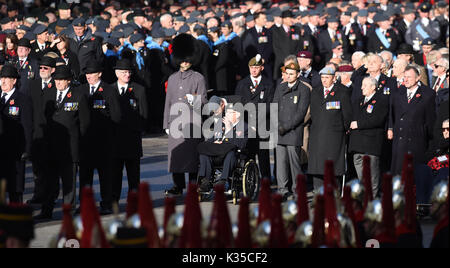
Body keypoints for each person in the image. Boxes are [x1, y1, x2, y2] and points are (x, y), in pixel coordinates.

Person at [34, 65, 89, 220]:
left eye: (62, 80)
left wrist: (80, 145)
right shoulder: (49, 94)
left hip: (69, 148)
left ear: (69, 81)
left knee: (68, 184)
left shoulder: (78, 96)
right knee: (49, 183)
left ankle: (68, 211)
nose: (58, 83)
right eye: (56, 79)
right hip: (50, 147)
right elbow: (43, 118)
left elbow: (84, 124)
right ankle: (47, 210)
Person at [163, 34, 207, 196]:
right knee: (176, 156)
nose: (185, 62)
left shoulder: (198, 78)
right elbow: (168, 101)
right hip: (175, 122)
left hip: (192, 122)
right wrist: (166, 123)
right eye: (182, 59)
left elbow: (203, 100)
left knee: (192, 158)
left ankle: (193, 186)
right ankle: (178, 185)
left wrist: (192, 100)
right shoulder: (173, 78)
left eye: (187, 59)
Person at [77, 60, 121, 215]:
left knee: (105, 176)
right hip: (86, 141)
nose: (88, 76)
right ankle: (84, 205)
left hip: (103, 142)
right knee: (85, 177)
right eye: (87, 73)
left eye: (92, 73)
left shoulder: (108, 90)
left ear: (99, 74)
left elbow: (116, 116)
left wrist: (109, 138)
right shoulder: (81, 90)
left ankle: (106, 203)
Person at [308, 66, 352, 193]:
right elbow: (313, 113)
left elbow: (347, 115)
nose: (324, 80)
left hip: (335, 136)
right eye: (322, 78)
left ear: (334, 78)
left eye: (327, 78)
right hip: (318, 134)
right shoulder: (316, 91)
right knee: (317, 168)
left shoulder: (342, 91)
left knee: (334, 168)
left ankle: (335, 195)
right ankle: (318, 195)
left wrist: (343, 128)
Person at [110, 59, 148, 203]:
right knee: (115, 174)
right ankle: (113, 200)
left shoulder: (139, 89)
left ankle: (135, 201)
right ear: (117, 73)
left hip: (132, 139)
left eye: (129, 72)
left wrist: (137, 130)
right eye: (124, 72)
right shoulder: (110, 89)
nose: (127, 75)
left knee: (133, 175)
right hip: (115, 140)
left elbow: (144, 114)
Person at [272, 61, 310, 200]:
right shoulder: (280, 87)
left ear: (298, 74)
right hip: (280, 131)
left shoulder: (303, 89)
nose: (288, 76)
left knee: (294, 164)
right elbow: (274, 107)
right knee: (281, 163)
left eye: (292, 74)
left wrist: (286, 127)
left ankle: (297, 191)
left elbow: (301, 113)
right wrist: (277, 126)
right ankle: (282, 190)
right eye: (287, 73)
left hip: (293, 132)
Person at [389, 65, 436, 176]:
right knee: (399, 175)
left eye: (409, 77)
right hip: (400, 141)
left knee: (414, 176)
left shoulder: (428, 95)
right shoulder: (398, 94)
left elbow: (430, 120)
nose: (406, 79)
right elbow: (392, 115)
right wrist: (390, 128)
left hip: (417, 141)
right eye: (405, 77)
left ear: (418, 78)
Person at [235, 54, 274, 180]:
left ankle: (266, 181)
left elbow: (271, 104)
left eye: (256, 67)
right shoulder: (242, 84)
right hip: (247, 125)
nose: (254, 70)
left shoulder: (268, 83)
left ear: (262, 68)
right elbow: (237, 104)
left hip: (263, 124)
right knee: (248, 155)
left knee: (263, 156)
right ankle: (250, 181)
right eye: (251, 67)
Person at [349, 77, 389, 197]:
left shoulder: (381, 100)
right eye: (362, 85)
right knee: (362, 177)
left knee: (372, 176)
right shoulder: (358, 100)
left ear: (373, 87)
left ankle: (371, 200)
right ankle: (363, 199)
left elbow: (378, 119)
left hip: (371, 145)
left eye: (365, 85)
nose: (362, 88)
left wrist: (359, 124)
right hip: (357, 145)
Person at [198, 98, 248, 192]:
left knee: (231, 153)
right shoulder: (220, 124)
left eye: (229, 113)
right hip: (217, 154)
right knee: (203, 152)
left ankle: (223, 180)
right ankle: (206, 181)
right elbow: (210, 140)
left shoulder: (244, 127)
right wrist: (213, 143)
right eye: (227, 113)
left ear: (237, 114)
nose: (226, 115)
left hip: (232, 156)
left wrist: (229, 130)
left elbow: (240, 145)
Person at [0, 64, 32, 203]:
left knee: (15, 189)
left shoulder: (22, 99)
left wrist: (26, 149)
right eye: (2, 77)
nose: (3, 81)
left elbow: (27, 126)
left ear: (14, 81)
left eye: (7, 78)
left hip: (15, 151)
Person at [27, 56, 56, 205]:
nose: (42, 70)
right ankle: (38, 194)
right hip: (37, 132)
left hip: (52, 134)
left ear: (53, 70)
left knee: (50, 168)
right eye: (41, 68)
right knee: (37, 168)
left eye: (46, 68)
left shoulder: (57, 85)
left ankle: (50, 196)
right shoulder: (34, 84)